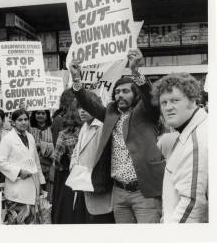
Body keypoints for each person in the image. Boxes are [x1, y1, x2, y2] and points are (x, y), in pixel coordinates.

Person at [69, 49, 165, 223]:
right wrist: (76, 78)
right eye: (117, 91)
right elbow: (88, 103)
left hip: (145, 192)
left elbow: (150, 96)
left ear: (136, 95)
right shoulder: (111, 114)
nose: (120, 94)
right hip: (119, 193)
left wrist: (135, 71)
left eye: (126, 91)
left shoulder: (146, 112)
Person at [153, 73, 208, 223]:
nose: (168, 107)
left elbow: (192, 205)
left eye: (175, 100)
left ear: (193, 100)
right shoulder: (189, 131)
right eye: (164, 103)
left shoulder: (197, 140)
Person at [67, 101, 115, 224]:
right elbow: (76, 152)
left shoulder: (103, 126)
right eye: (79, 107)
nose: (82, 110)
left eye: (86, 107)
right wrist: (73, 165)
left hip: (97, 187)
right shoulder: (84, 126)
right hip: (81, 185)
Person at [0, 108, 45, 224]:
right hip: (16, 190)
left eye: (26, 119)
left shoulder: (30, 137)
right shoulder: (8, 139)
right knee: (17, 227)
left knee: (31, 227)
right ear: (13, 122)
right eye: (20, 120)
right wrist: (18, 172)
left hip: (33, 188)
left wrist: (41, 182)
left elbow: (36, 161)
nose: (23, 122)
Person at [52, 99, 82, 223]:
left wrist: (62, 166)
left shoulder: (64, 133)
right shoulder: (92, 129)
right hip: (90, 175)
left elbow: (56, 159)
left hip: (72, 175)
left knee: (70, 212)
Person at [29, 110, 54, 200]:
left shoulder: (51, 128)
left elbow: (54, 146)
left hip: (48, 166)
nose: (40, 115)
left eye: (43, 113)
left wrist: (41, 145)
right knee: (35, 192)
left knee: (48, 193)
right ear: (34, 115)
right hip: (33, 166)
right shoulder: (30, 129)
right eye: (38, 113)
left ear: (47, 115)